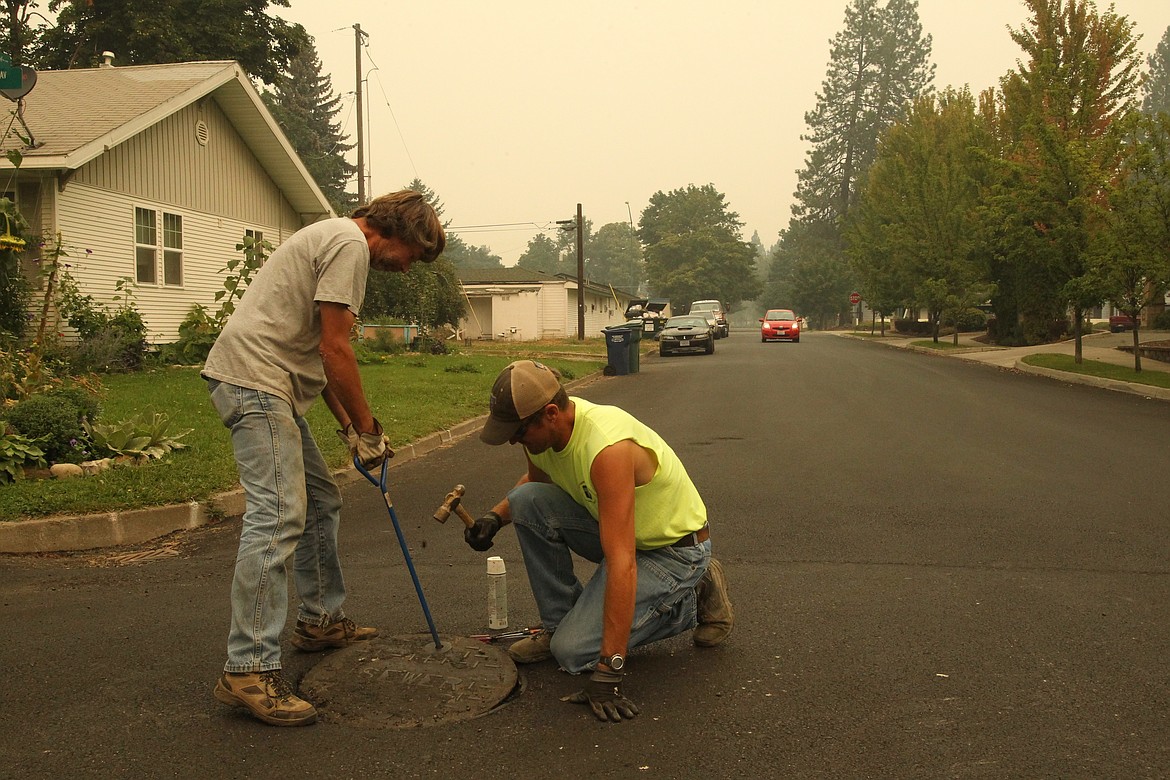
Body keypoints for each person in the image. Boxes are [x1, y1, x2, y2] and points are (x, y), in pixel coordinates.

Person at [202, 191, 445, 727]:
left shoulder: (334, 238)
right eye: (413, 256)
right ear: (399, 233)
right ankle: (248, 669)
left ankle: (319, 621)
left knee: (319, 501)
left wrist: (348, 429)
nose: (407, 270)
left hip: (272, 386)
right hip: (255, 381)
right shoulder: (349, 245)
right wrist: (368, 429)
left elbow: (318, 352)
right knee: (279, 514)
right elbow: (337, 349)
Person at [465, 359, 734, 723]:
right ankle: (559, 624)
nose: (513, 439)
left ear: (550, 413)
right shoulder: (539, 438)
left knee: (574, 655)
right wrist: (494, 518)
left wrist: (610, 670)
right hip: (619, 528)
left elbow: (623, 561)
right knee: (523, 502)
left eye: (518, 431)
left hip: (672, 551)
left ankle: (692, 597)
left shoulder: (607, 449)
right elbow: (535, 488)